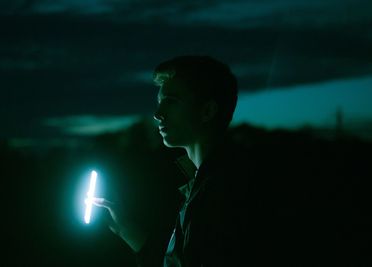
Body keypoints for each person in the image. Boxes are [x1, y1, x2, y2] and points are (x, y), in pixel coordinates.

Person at [92, 55, 261, 266]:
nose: (157, 113)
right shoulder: (203, 185)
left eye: (171, 102)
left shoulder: (225, 191)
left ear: (207, 111)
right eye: (159, 102)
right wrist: (123, 228)